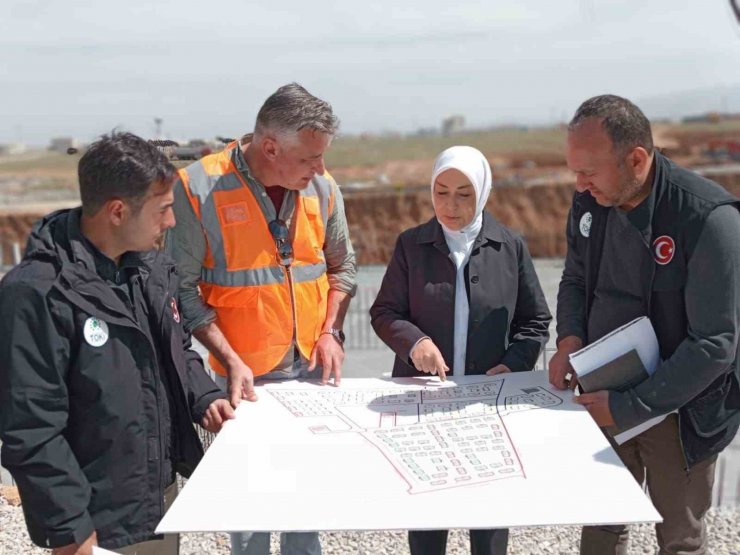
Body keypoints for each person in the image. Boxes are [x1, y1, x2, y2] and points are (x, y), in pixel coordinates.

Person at [0, 132, 234, 555]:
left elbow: (175, 350)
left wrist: (204, 396)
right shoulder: (37, 294)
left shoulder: (152, 268)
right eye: (163, 210)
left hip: (158, 497)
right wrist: (70, 526)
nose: (171, 222)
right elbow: (30, 428)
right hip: (93, 517)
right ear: (117, 211)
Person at [165, 82, 357, 555]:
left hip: (312, 373)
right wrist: (229, 359)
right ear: (270, 147)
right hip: (241, 381)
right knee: (248, 514)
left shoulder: (324, 189)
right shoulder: (197, 189)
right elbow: (180, 289)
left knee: (303, 508)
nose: (320, 169)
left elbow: (343, 267)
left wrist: (330, 332)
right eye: (310, 159)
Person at [549, 95, 740, 555]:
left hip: (679, 411)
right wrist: (569, 337)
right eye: (575, 171)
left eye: (589, 171)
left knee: (679, 537)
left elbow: (715, 345)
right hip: (602, 396)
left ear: (636, 159)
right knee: (601, 527)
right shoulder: (590, 203)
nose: (579, 184)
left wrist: (631, 405)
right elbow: (575, 277)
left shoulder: (708, 219)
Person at [370, 146, 552, 555]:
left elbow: (535, 322)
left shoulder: (510, 246)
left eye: (464, 194)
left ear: (483, 192)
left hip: (486, 404)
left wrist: (514, 363)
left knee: (488, 517)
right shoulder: (410, 245)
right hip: (423, 400)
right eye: (441, 192)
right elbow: (384, 312)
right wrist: (415, 343)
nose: (450, 205)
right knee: (427, 516)